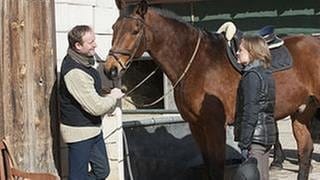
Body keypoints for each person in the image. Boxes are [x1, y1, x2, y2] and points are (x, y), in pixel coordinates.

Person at [59, 25, 124, 180]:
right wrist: (113, 97)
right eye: (90, 42)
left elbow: (87, 93)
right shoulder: (74, 72)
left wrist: (103, 93)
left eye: (94, 40)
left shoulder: (85, 62)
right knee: (78, 176)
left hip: (93, 129)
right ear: (78, 46)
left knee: (102, 171)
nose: (95, 44)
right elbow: (95, 107)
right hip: (79, 132)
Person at [233, 34, 277, 180]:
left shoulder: (251, 76)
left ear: (252, 53)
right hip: (266, 136)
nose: (237, 53)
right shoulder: (266, 73)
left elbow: (250, 111)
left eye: (241, 50)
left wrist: (244, 142)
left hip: (255, 139)